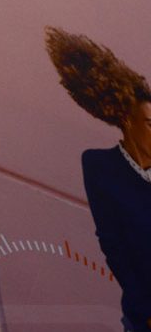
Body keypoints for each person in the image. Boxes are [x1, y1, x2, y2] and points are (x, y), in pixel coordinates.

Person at [45, 27, 151, 331]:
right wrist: (145, 312)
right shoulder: (100, 167)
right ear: (128, 121)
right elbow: (113, 247)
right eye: (150, 123)